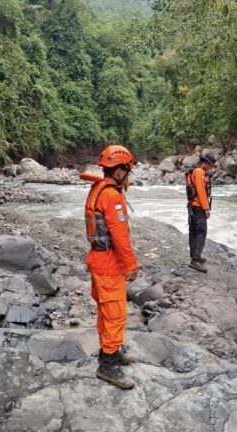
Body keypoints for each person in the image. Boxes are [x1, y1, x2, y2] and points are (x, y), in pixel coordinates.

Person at [84, 144, 139, 390]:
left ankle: (111, 350)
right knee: (116, 314)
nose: (128, 175)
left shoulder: (97, 188)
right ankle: (107, 366)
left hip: (97, 261)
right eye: (127, 170)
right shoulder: (112, 196)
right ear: (118, 171)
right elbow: (120, 236)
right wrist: (131, 265)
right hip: (109, 265)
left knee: (106, 312)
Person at [186, 153, 216, 273]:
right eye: (211, 165)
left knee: (193, 231)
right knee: (201, 232)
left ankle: (195, 256)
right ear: (206, 163)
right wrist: (206, 208)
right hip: (198, 207)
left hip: (192, 206)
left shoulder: (195, 170)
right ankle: (195, 260)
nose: (211, 168)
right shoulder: (199, 172)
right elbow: (201, 191)